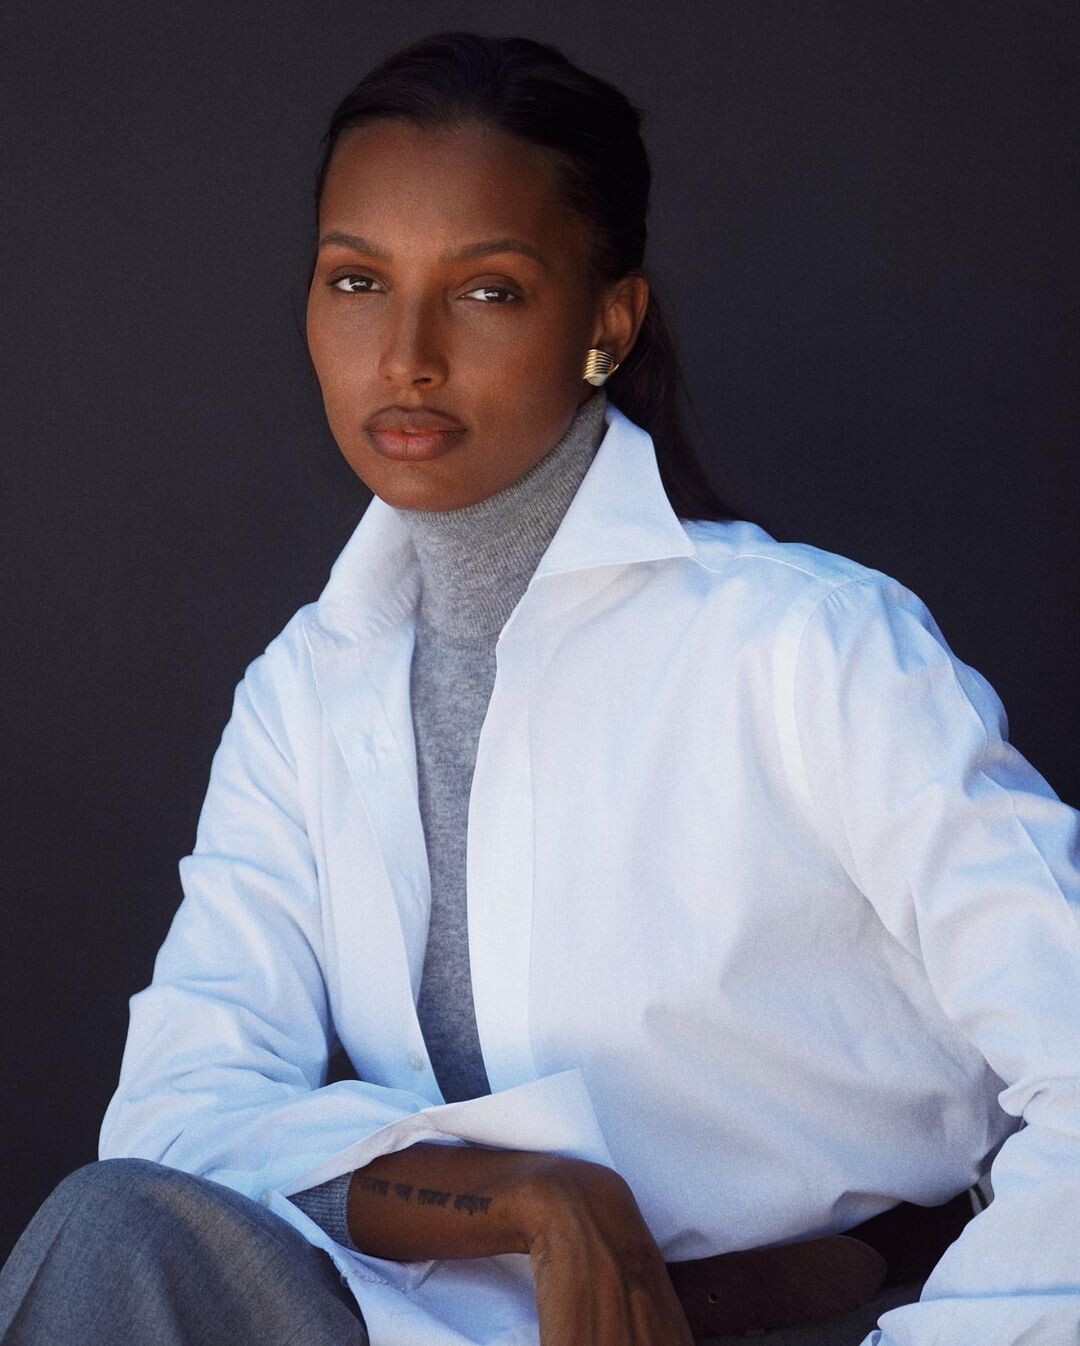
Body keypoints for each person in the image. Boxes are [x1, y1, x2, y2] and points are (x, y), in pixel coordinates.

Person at [2, 28, 1079, 1346]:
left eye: (488, 290)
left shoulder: (810, 647)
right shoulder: (305, 694)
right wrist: (525, 1198)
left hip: (808, 1320)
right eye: (357, 280)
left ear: (606, 323)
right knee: (116, 1231)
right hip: (447, 1320)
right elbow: (174, 1117)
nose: (405, 354)